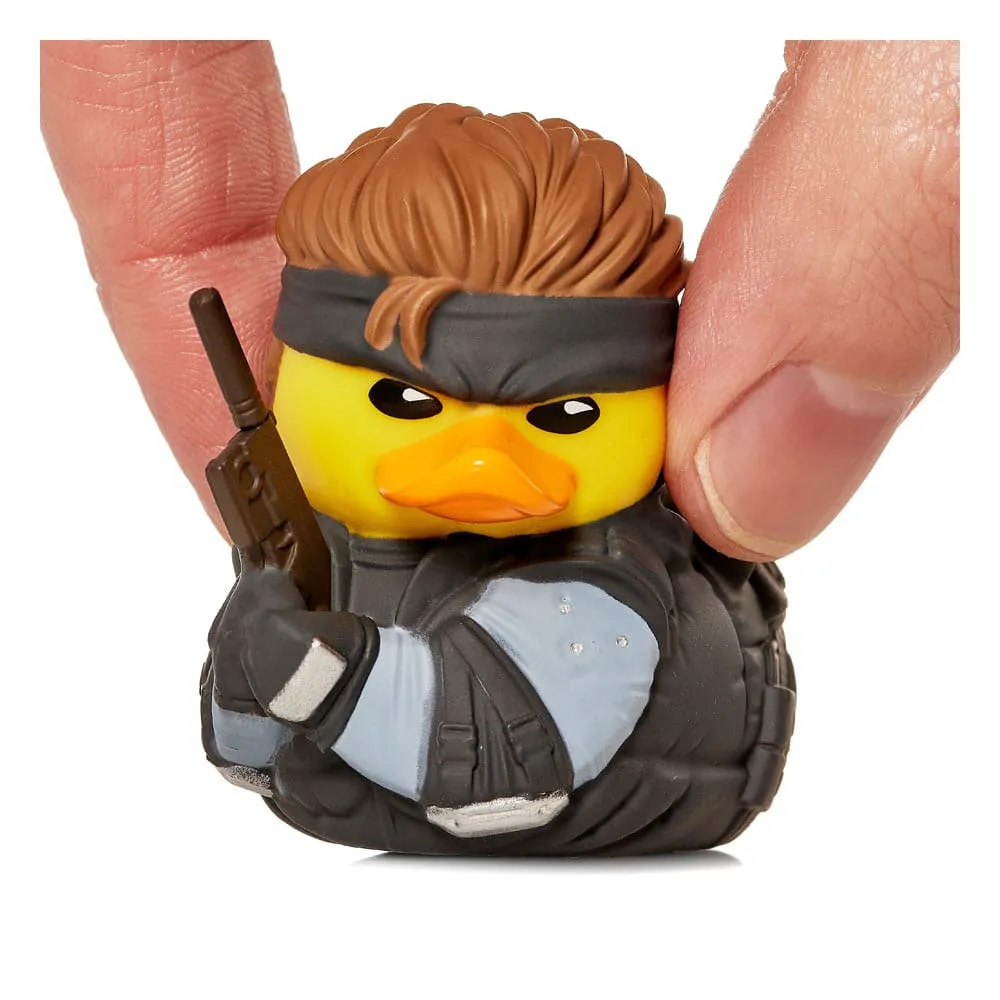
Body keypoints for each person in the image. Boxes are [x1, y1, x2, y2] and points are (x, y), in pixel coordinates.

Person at [39, 40, 958, 561]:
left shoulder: (639, 587)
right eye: (403, 400)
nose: (481, 464)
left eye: (564, 414)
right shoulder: (310, 560)